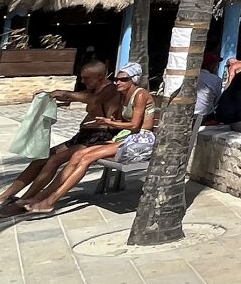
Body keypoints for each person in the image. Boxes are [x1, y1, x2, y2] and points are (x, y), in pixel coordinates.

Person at [0, 60, 127, 211]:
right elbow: (76, 96)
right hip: (85, 135)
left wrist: (63, 93)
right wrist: (48, 95)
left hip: (100, 136)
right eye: (82, 77)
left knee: (54, 160)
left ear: (101, 77)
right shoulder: (94, 89)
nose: (83, 81)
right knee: (43, 157)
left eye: (86, 78)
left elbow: (92, 100)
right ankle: (6, 195)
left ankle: (25, 199)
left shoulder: (110, 90)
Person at [11, 62, 154, 215]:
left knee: (86, 158)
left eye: (123, 79)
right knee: (78, 155)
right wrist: (112, 121)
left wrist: (108, 122)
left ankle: (50, 201)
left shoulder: (140, 94)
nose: (118, 82)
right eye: (117, 79)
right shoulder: (125, 95)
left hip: (141, 140)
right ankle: (40, 197)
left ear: (134, 79)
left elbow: (134, 126)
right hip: (127, 138)